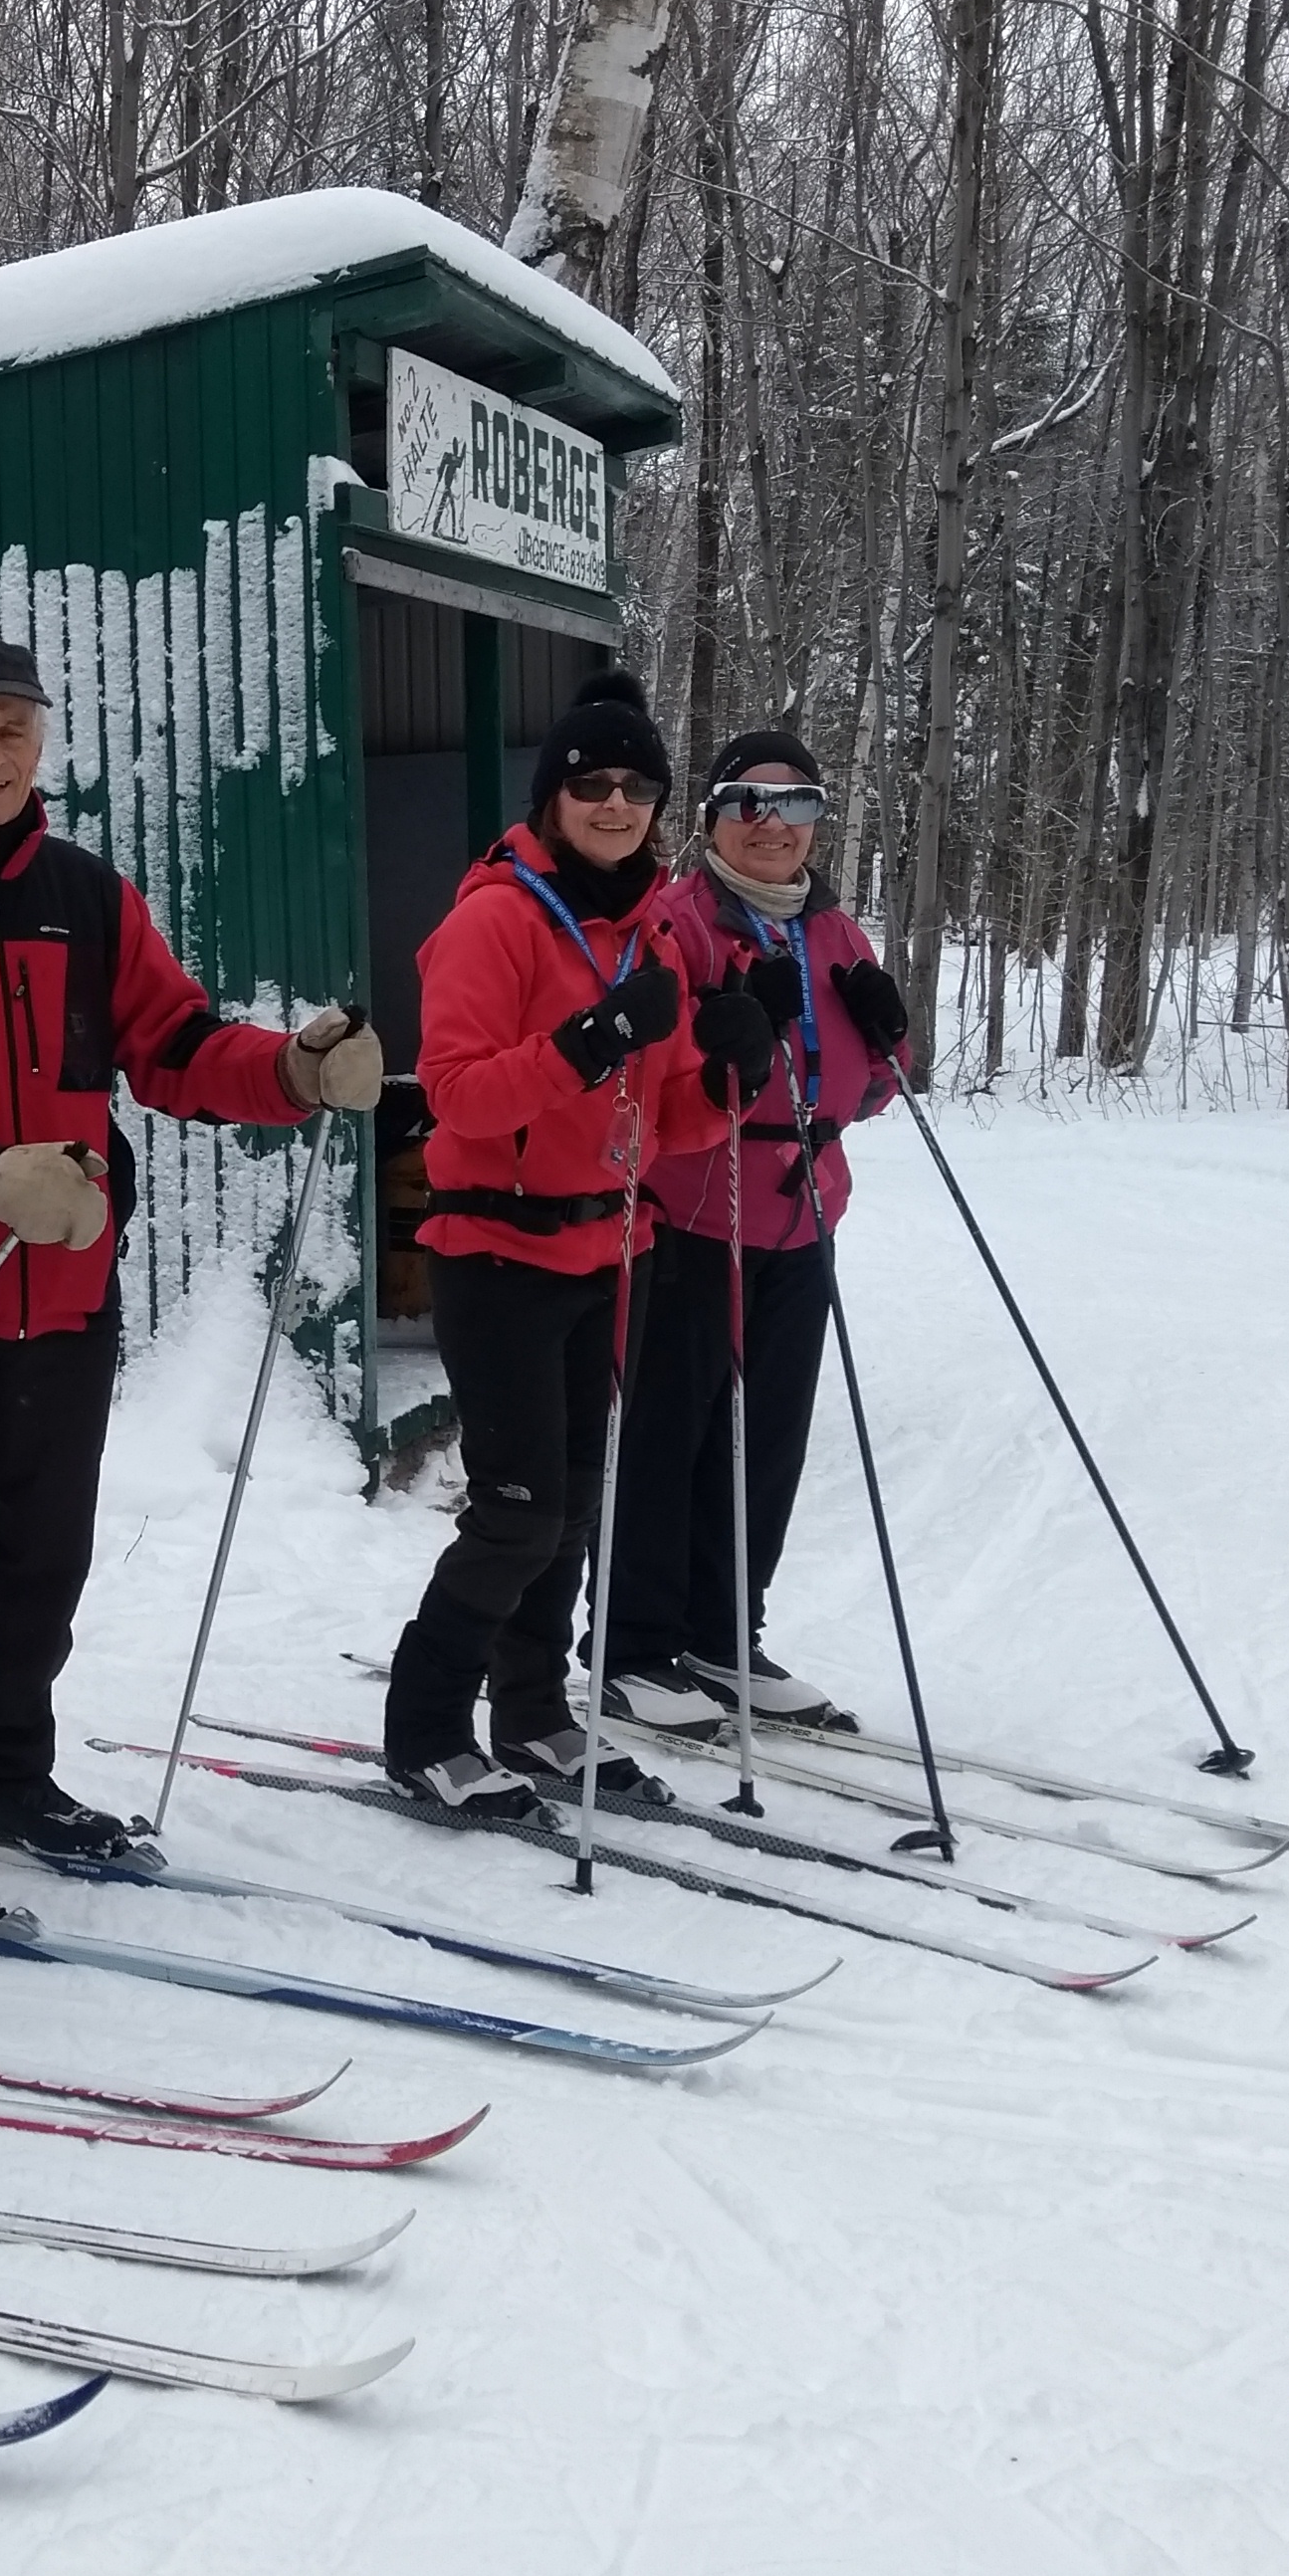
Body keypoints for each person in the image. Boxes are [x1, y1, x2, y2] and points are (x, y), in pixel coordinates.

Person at [0, 630, 381, 1931]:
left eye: (12, 730)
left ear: (42, 744)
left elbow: (173, 1042)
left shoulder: (87, 897)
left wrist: (294, 1069)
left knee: (34, 1566)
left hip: (63, 1294)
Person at [373, 668, 764, 1819]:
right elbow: (453, 1097)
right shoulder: (492, 920)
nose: (612, 803)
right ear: (550, 797)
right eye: (588, 783)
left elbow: (672, 1120)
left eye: (635, 786)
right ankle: (424, 1728)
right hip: (498, 1253)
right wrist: (588, 1039)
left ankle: (534, 1714)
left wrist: (731, 1074)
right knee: (515, 1512)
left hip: (611, 1251)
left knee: (575, 1507)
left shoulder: (648, 929)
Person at [604, 731, 908, 1725]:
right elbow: (645, 1075)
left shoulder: (834, 934)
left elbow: (867, 1097)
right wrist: (727, 1027)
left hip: (803, 1207)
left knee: (767, 1438)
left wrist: (885, 1035)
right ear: (710, 818)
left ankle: (725, 1636)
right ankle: (631, 1644)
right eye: (747, 803)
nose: (772, 826)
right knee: (671, 1432)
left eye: (796, 805)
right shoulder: (678, 922)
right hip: (697, 1206)